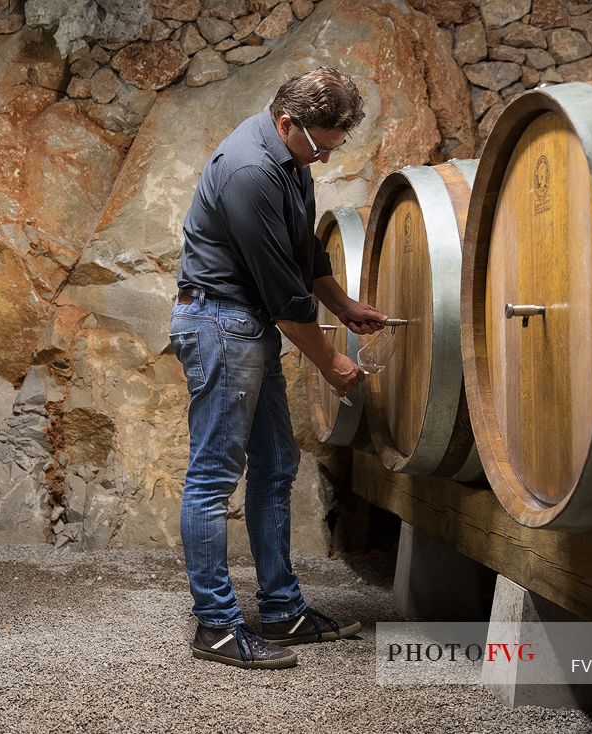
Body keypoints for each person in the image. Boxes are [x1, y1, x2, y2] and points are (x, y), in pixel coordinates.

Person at [169, 67, 386, 669]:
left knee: (276, 463)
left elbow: (304, 253)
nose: (325, 155)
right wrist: (334, 362)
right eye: (321, 144)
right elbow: (285, 299)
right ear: (286, 122)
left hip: (245, 322)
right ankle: (214, 625)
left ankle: (282, 609)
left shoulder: (292, 160)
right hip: (219, 322)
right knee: (214, 476)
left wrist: (344, 305)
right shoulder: (250, 171)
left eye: (334, 146)